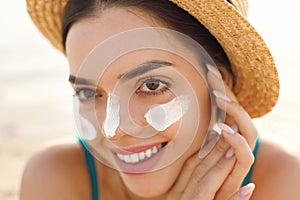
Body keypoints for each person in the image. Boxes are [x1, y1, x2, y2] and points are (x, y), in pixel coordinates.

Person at [20, 0, 300, 199]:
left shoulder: (282, 179)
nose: (113, 131)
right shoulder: (54, 177)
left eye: (151, 85)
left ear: (221, 86)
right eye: (88, 93)